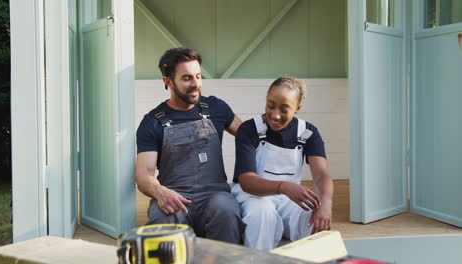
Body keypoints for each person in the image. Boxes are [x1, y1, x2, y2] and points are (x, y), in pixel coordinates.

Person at [135, 47, 244, 244]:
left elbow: (248, 137)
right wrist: (161, 192)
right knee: (162, 219)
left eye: (198, 76)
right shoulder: (152, 122)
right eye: (187, 78)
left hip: (215, 196)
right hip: (174, 196)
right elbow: (144, 175)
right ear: (168, 82)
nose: (196, 84)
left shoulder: (216, 108)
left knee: (227, 210)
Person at [232, 76, 334, 250]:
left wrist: (326, 202)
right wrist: (284, 187)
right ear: (266, 99)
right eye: (271, 105)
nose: (275, 114)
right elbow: (247, 181)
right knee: (262, 214)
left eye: (284, 109)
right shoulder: (249, 129)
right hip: (253, 197)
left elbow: (322, 174)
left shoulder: (307, 132)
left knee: (314, 217)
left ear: (297, 108)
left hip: (287, 198)